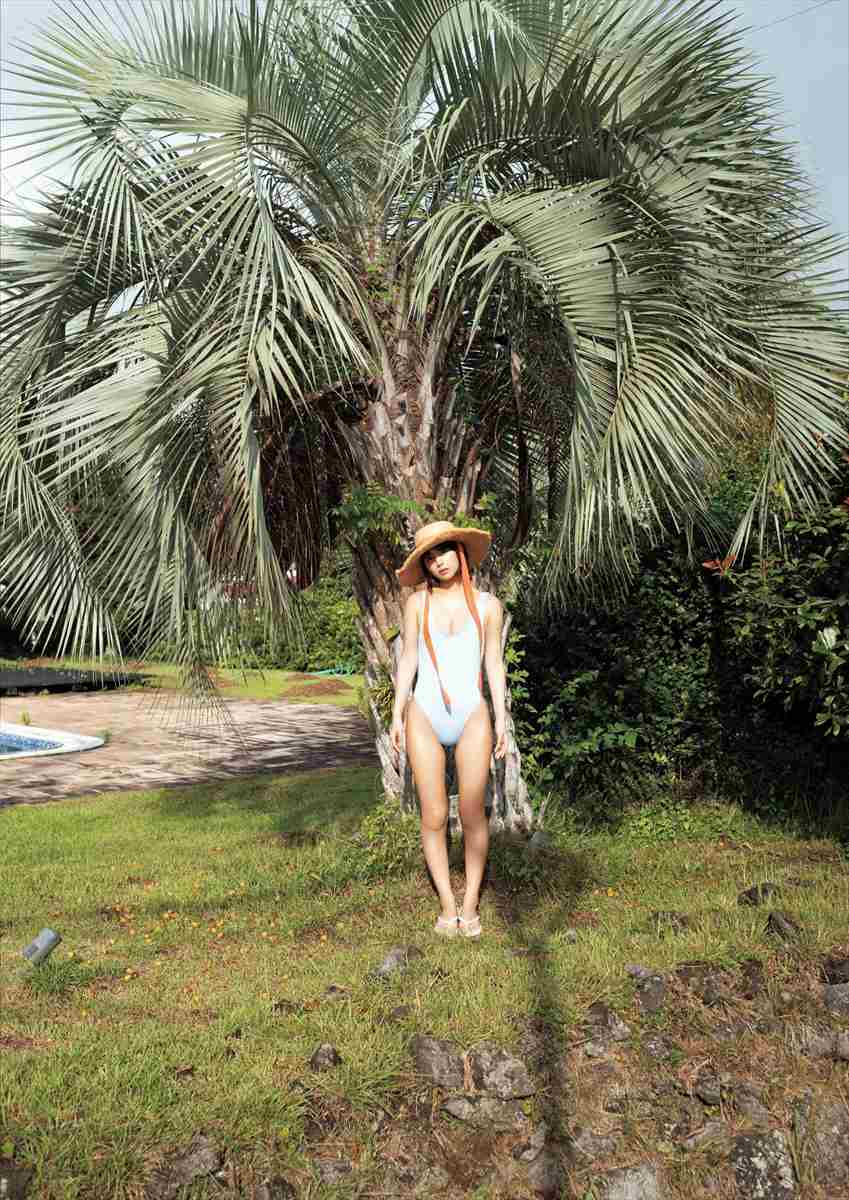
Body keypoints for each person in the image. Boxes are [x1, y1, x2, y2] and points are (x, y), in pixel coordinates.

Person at [390, 520, 508, 940]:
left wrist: (502, 718)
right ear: (423, 564)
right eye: (429, 557)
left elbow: (493, 663)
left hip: (472, 713)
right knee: (435, 814)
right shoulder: (417, 604)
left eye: (444, 551)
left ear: (460, 552)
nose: (438, 562)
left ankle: (470, 903)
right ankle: (446, 904)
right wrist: (397, 715)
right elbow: (408, 660)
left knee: (473, 812)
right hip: (424, 713)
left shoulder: (488, 606)